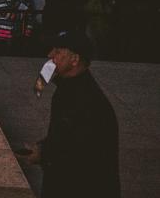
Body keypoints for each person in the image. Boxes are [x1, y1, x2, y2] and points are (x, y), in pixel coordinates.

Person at [24, 31, 119, 198]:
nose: (50, 55)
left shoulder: (86, 99)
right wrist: (42, 147)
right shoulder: (70, 88)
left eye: (58, 51)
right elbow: (64, 134)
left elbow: (81, 151)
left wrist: (43, 153)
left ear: (75, 60)